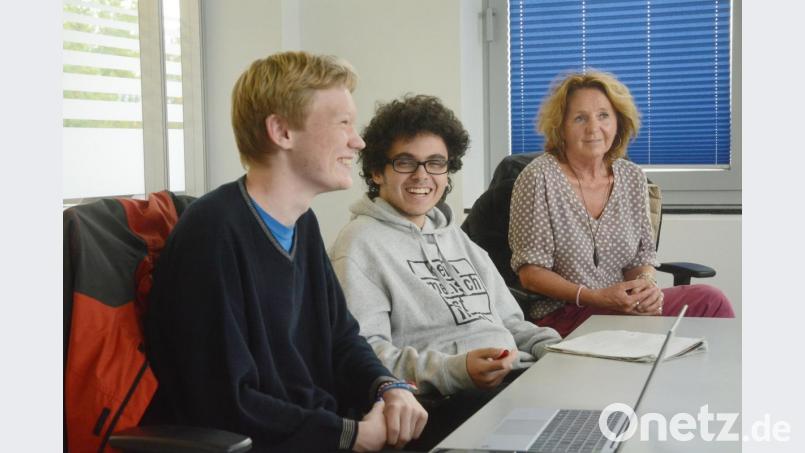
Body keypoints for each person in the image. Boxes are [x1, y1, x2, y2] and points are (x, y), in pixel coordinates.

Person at [144, 51, 427, 452]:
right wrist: (350, 436)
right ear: (281, 131)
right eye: (343, 123)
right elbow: (225, 403)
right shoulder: (212, 233)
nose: (358, 141)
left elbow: (341, 339)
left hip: (318, 431)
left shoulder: (302, 224)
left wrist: (389, 388)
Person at [329, 94, 561, 449]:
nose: (422, 175)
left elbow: (510, 323)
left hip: (513, 376)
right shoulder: (359, 244)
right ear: (377, 171)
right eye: (405, 162)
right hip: (439, 403)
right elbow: (367, 356)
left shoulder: (455, 237)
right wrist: (457, 369)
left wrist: (555, 349)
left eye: (435, 163)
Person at [508, 70, 735, 337]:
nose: (593, 128)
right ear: (561, 127)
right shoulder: (538, 178)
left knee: (711, 300)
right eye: (580, 118)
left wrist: (646, 287)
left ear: (618, 122)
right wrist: (595, 297)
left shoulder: (632, 176)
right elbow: (531, 274)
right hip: (567, 313)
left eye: (603, 115)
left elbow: (640, 259)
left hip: (623, 306)